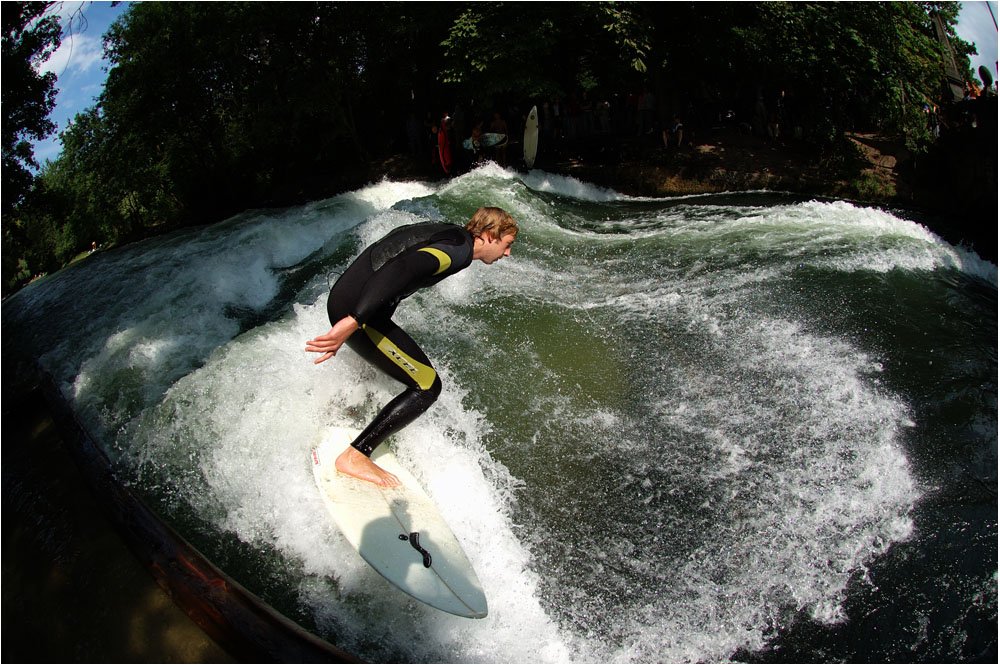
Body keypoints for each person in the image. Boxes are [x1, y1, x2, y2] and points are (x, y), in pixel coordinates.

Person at [305, 207, 519, 488]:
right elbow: (404, 268)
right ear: (491, 235)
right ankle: (356, 454)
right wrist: (353, 321)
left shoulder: (451, 234)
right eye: (508, 244)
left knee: (385, 357)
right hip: (358, 310)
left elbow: (392, 244)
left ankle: (344, 409)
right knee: (427, 386)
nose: (507, 254)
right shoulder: (458, 253)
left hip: (350, 299)